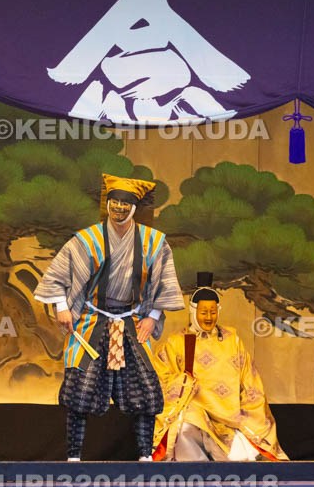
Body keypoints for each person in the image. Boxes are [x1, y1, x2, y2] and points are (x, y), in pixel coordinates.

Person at [33, 174, 184, 461]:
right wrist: (61, 306)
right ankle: (74, 456)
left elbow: (164, 280)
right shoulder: (86, 238)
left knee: (146, 389)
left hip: (132, 321)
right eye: (115, 201)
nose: (119, 207)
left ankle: (144, 455)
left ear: (135, 207)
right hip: (93, 320)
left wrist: (152, 316)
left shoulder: (154, 241)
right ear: (107, 204)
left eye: (126, 202)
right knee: (79, 389)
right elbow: (56, 275)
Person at [151, 272, 287, 461]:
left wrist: (248, 410)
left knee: (243, 455)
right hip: (196, 414)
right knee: (185, 427)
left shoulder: (232, 341)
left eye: (213, 312)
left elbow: (250, 380)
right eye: (204, 312)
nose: (208, 317)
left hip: (229, 416)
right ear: (193, 311)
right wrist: (181, 383)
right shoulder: (177, 342)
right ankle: (196, 472)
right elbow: (159, 378)